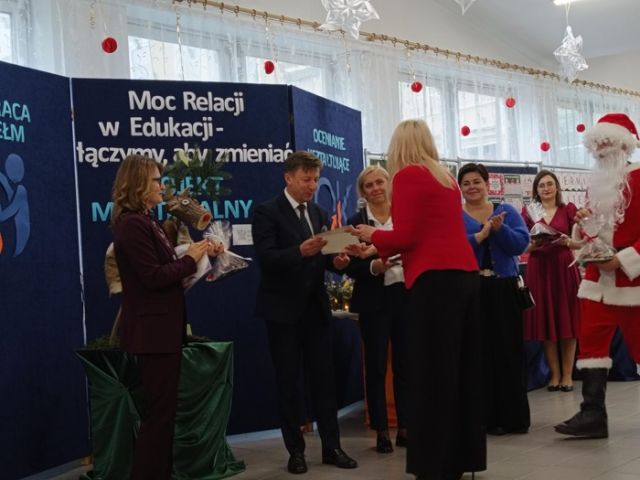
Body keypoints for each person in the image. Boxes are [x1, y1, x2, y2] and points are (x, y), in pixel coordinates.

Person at [354, 120, 485, 480]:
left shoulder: (408, 176)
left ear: (398, 145)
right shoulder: (446, 178)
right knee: (460, 371)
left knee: (432, 373)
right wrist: (380, 246)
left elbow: (407, 236)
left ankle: (435, 462)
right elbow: (429, 234)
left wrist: (373, 235)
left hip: (434, 283)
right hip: (464, 276)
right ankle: (463, 455)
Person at [111, 154, 223, 480]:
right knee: (158, 417)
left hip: (162, 330)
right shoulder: (132, 225)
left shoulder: (147, 220)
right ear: (139, 185)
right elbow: (154, 277)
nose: (162, 187)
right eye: (157, 181)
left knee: (163, 415)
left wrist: (198, 253)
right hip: (153, 333)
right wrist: (190, 259)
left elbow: (164, 265)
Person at [251, 151, 357, 474]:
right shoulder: (267, 212)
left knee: (324, 381)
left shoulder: (319, 212)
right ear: (289, 178)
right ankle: (295, 451)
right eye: (306, 179)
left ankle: (332, 447)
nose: (312, 185)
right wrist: (300, 250)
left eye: (315, 179)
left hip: (316, 311)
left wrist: (337, 262)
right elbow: (267, 258)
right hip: (282, 312)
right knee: (288, 383)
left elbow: (324, 259)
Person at [555, 113, 640, 439]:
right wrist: (584, 223)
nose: (601, 149)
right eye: (597, 143)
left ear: (623, 143)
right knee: (590, 342)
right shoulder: (596, 185)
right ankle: (592, 413)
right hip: (597, 280)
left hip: (632, 280)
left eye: (607, 142)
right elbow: (594, 233)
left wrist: (623, 261)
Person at [458, 163, 531, 435]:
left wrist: (500, 230)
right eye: (466, 183)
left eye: (477, 181)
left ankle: (513, 418)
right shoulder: (455, 216)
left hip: (504, 287)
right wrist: (479, 236)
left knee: (509, 351)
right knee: (478, 353)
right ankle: (485, 419)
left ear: (487, 184)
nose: (472, 187)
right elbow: (453, 249)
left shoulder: (506, 210)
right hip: (471, 289)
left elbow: (520, 244)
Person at [344, 165, 410, 453]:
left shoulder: (404, 216)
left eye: (379, 182)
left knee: (406, 365)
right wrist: (374, 266)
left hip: (405, 296)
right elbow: (350, 265)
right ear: (363, 191)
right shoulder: (355, 223)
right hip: (373, 301)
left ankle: (406, 426)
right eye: (369, 185)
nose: (375, 188)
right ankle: (381, 430)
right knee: (376, 366)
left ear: (388, 184)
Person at [521, 170, 582, 391]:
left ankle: (567, 375)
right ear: (536, 190)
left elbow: (581, 242)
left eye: (549, 184)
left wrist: (568, 242)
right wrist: (534, 245)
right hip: (539, 269)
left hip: (564, 268)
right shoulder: (529, 211)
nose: (546, 188)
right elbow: (522, 246)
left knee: (567, 321)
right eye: (541, 185)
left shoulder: (569, 210)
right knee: (546, 322)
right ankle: (554, 375)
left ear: (557, 187)